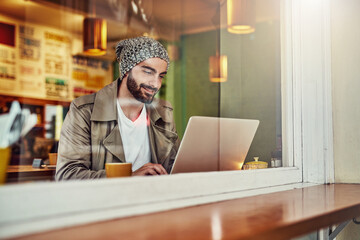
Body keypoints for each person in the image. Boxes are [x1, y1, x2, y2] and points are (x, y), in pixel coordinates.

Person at [55, 36, 179, 180]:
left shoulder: (164, 112)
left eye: (161, 76)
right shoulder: (84, 111)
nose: (155, 84)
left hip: (154, 199)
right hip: (109, 201)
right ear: (126, 69)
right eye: (148, 72)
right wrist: (130, 177)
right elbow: (67, 175)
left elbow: (175, 167)